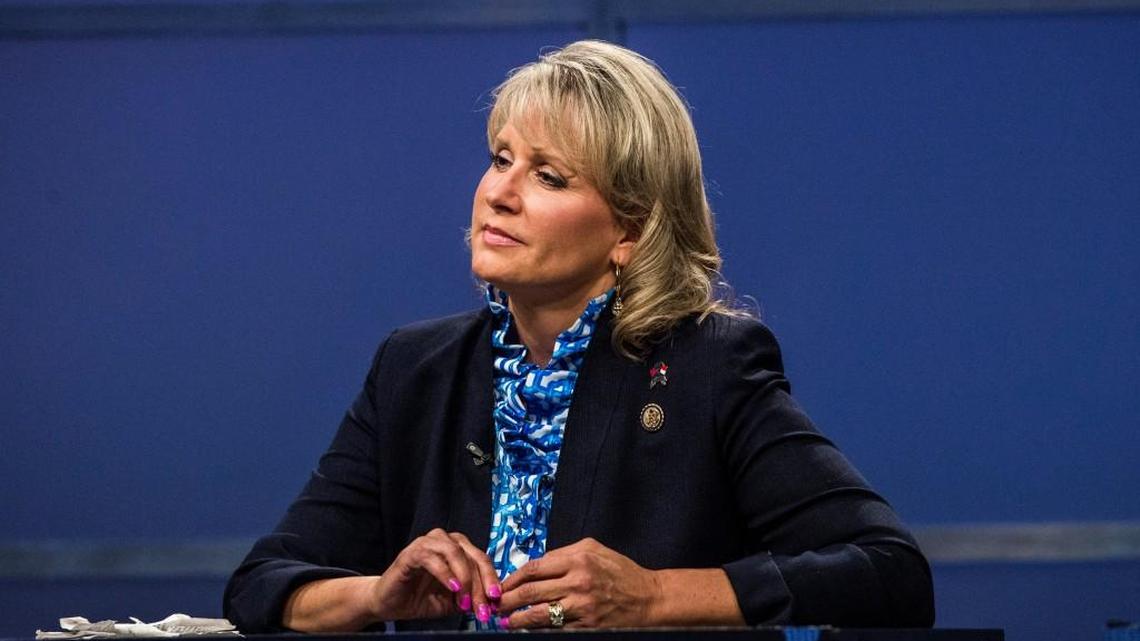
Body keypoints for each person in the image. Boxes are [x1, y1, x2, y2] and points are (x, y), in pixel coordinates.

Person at [223, 40, 935, 632]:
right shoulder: (415, 369)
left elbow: (890, 572)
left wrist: (657, 597)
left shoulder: (708, 366)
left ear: (629, 230)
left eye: (550, 176)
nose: (499, 191)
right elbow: (264, 584)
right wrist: (375, 593)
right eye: (501, 158)